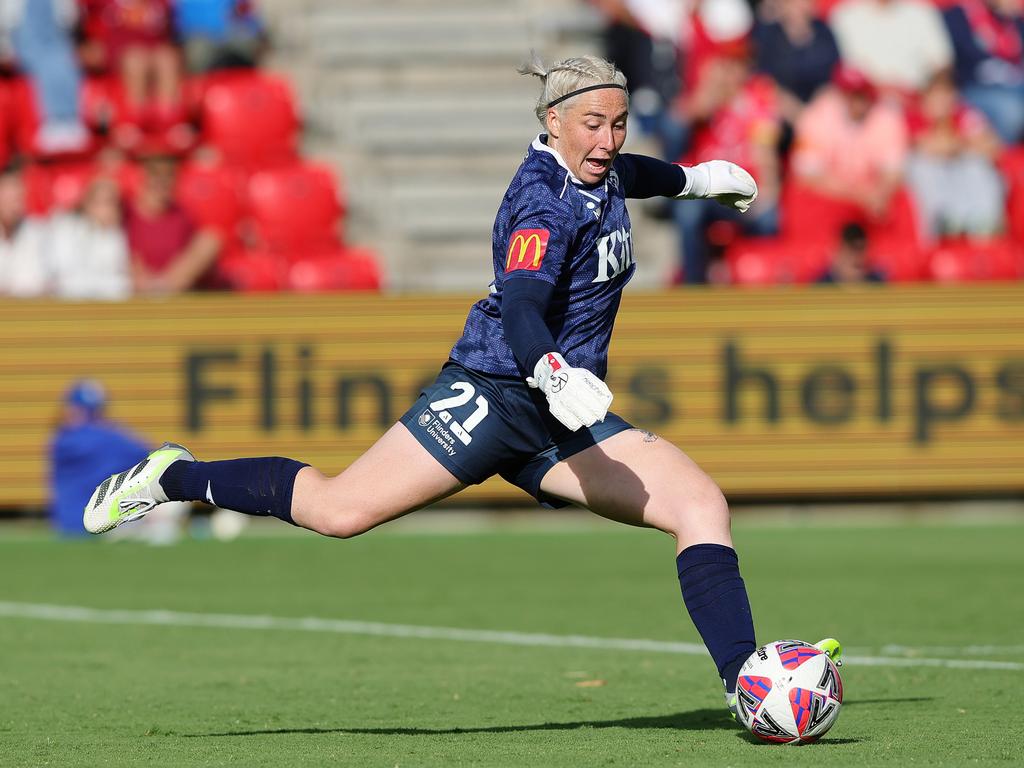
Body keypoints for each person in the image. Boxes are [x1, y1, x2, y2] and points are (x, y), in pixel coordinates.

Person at [82, 55, 841, 716]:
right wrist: (547, 367)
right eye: (591, 126)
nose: (608, 141)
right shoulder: (541, 198)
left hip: (560, 414)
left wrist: (696, 180)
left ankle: (746, 680)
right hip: (497, 393)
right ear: (552, 122)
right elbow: (519, 302)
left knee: (700, 504)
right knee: (340, 511)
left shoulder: (600, 168)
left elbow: (632, 174)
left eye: (617, 124)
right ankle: (172, 476)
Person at [673, 38, 781, 283]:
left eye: (741, 65)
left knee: (769, 218)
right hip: (707, 187)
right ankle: (693, 284)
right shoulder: (709, 96)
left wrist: (769, 190)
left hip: (743, 187)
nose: (735, 71)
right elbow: (678, 120)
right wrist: (712, 90)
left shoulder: (758, 98)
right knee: (688, 211)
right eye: (730, 64)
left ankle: (759, 287)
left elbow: (764, 149)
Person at [905, 70, 1004, 240]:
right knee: (922, 166)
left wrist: (954, 144)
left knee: (977, 165)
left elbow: (993, 146)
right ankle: (943, 223)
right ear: (926, 96)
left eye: (947, 94)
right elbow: (927, 147)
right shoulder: (914, 116)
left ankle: (983, 222)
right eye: (937, 95)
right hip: (934, 175)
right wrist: (964, 142)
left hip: (959, 174)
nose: (943, 100)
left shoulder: (963, 113)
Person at [49, 380, 149, 536]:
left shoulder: (61, 440)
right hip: (102, 526)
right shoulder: (112, 438)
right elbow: (154, 457)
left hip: (68, 526)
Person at [124, 154, 221, 294]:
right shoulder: (125, 211)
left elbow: (202, 249)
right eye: (155, 173)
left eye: (168, 174)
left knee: (210, 239)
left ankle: (161, 292)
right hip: (134, 281)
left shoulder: (183, 214)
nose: (161, 180)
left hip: (171, 283)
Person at [942, 0, 1024, 143]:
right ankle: (1000, 157)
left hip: (1015, 84)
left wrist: (1011, 19)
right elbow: (962, 56)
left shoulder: (1011, 19)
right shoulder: (958, 15)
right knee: (1011, 111)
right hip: (975, 87)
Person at [48, 175, 133, 299]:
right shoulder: (66, 229)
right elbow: (65, 280)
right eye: (101, 202)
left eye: (112, 203)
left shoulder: (118, 235)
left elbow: (124, 281)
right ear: (87, 204)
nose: (108, 209)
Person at [0, 162, 50, 297]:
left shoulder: (38, 232)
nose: (14, 206)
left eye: (17, 198)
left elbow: (36, 282)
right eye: (8, 198)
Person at [815, 221, 887, 283]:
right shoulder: (819, 288)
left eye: (861, 248)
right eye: (851, 249)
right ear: (835, 252)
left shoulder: (879, 285)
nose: (856, 256)